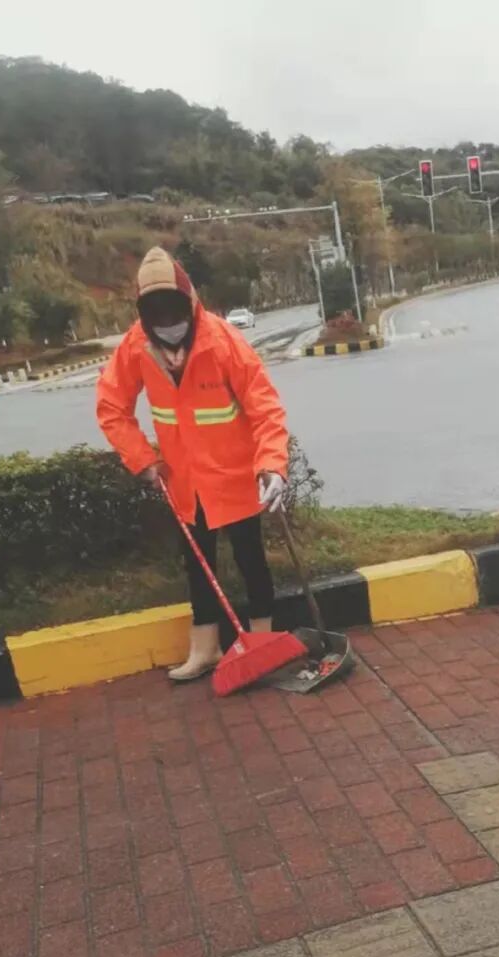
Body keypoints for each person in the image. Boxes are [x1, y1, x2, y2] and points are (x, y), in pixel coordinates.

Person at [96, 246, 290, 681]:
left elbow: (265, 407)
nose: (169, 326)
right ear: (144, 317)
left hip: (235, 475)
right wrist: (143, 460)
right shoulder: (137, 346)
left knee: (251, 559)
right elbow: (111, 406)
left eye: (175, 314)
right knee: (198, 565)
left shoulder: (222, 342)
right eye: (158, 318)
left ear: (191, 303)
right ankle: (206, 647)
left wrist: (273, 465)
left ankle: (262, 642)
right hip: (183, 481)